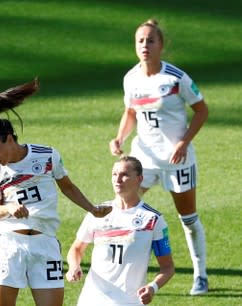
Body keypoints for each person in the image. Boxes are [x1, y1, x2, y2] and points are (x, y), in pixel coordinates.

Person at [0, 78, 112, 306]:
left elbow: (67, 186)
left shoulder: (47, 156)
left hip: (45, 244)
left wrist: (91, 209)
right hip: (10, 244)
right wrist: (9, 208)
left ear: (9, 139)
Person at [108, 19, 209, 295]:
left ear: (161, 46)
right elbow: (130, 112)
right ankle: (125, 274)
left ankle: (200, 275)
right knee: (126, 210)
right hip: (144, 159)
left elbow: (202, 110)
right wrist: (120, 138)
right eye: (140, 41)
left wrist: (184, 142)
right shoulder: (131, 79)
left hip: (177, 160)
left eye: (151, 40)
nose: (145, 46)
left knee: (187, 218)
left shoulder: (176, 78)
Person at [66, 156, 175, 305]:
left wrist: (152, 287)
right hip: (92, 299)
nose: (117, 179)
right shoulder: (98, 212)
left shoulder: (153, 219)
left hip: (129, 302)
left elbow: (167, 267)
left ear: (139, 178)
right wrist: (74, 266)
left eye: (124, 175)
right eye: (114, 174)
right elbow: (77, 249)